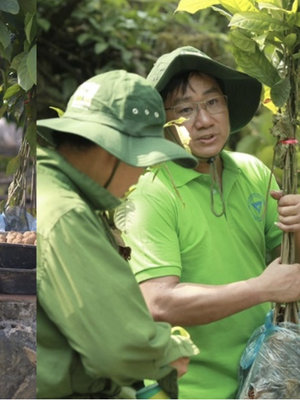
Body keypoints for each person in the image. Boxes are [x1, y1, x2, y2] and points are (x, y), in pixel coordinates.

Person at [123, 46, 300, 399]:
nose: (203, 120)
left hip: (260, 383)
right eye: (185, 109)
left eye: (213, 102)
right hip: (185, 391)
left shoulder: (253, 172)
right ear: (161, 122)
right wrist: (260, 289)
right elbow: (158, 303)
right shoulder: (151, 192)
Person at [36, 69, 200, 399]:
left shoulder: (49, 187)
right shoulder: (67, 214)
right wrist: (168, 351)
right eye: (144, 160)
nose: (142, 174)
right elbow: (118, 350)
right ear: (111, 149)